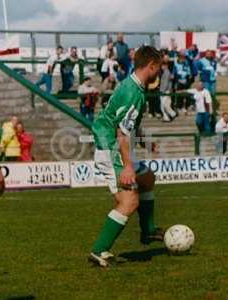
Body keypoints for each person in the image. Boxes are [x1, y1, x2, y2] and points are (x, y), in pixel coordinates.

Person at [89, 46, 164, 267]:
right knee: (129, 201)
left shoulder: (134, 87)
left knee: (148, 177)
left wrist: (143, 141)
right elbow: (122, 133)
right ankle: (99, 250)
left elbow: (127, 127)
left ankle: (148, 231)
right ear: (151, 66)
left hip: (115, 145)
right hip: (112, 149)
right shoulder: (134, 93)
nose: (159, 73)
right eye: (158, 68)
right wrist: (128, 168)